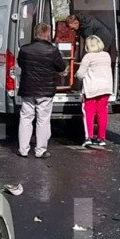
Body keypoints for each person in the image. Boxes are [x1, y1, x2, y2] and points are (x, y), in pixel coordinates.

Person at [17, 22, 67, 158]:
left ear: (35, 34)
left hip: (28, 89)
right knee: (43, 120)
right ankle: (40, 150)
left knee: (26, 118)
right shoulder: (52, 50)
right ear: (48, 34)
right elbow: (61, 67)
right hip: (46, 91)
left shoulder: (25, 49)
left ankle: (23, 149)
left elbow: (20, 63)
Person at [76, 35, 113, 147]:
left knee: (89, 113)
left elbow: (81, 74)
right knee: (102, 113)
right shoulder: (106, 55)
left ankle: (89, 137)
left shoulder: (88, 57)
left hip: (92, 89)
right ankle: (101, 138)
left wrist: (76, 75)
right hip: (106, 88)